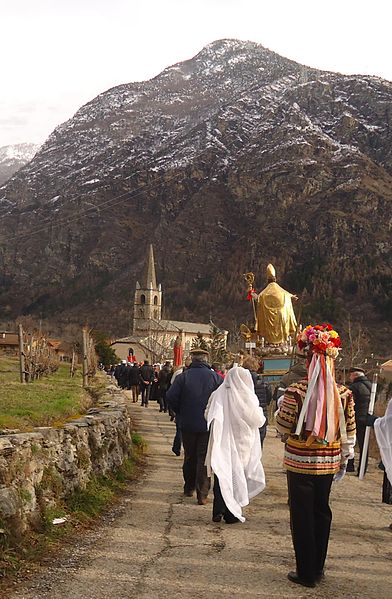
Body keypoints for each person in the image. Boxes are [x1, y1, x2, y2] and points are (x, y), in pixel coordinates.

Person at [276, 323, 356, 588]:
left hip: (299, 461)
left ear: (309, 359)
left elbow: (284, 425)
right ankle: (318, 569)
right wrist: (346, 454)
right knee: (322, 511)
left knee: (301, 515)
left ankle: (305, 571)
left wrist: (279, 418)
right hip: (329, 461)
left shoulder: (296, 392)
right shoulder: (344, 393)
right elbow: (350, 430)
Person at [205, 366, 266, 523]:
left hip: (221, 441)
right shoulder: (247, 396)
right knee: (238, 476)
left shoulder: (217, 393)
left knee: (222, 473)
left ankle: (218, 510)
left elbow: (208, 414)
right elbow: (258, 420)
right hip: (242, 443)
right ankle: (232, 513)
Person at [166, 349, 222, 504]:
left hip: (187, 423)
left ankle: (189, 487)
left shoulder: (183, 377)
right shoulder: (216, 378)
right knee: (204, 458)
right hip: (208, 424)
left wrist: (180, 411)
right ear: (206, 359)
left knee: (189, 455)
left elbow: (170, 396)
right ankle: (202, 493)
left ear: (192, 359)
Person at [252, 263, 297, 345]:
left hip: (269, 330)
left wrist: (254, 296)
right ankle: (282, 342)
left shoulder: (263, 294)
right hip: (281, 322)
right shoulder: (283, 293)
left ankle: (271, 343)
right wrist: (291, 296)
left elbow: (259, 299)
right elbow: (287, 294)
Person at [346, 367, 372, 474]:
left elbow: (349, 404)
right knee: (364, 445)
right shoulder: (371, 386)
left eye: (350, 375)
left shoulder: (354, 387)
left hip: (355, 418)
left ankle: (350, 465)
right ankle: (362, 468)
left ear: (355, 375)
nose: (350, 377)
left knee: (349, 442)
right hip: (367, 418)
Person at [242, 356, 272, 448]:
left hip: (245, 416)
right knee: (259, 443)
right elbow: (268, 398)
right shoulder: (263, 382)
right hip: (260, 414)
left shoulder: (241, 382)